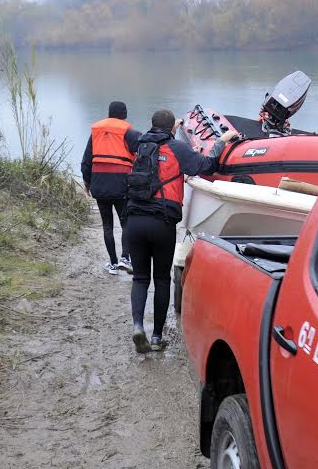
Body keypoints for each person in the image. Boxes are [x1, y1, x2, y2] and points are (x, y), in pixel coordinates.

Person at [126, 109, 236, 353]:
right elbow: (206, 166)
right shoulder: (176, 148)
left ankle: (137, 326)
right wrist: (221, 141)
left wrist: (171, 127)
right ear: (172, 129)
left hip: (133, 221)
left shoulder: (139, 144)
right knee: (162, 279)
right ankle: (156, 337)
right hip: (161, 222)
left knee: (140, 278)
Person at [81, 101, 141, 274]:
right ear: (125, 115)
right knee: (126, 223)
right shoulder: (130, 132)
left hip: (99, 183)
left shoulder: (96, 132)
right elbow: (144, 156)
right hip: (121, 183)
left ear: (108, 114)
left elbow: (86, 161)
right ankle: (125, 258)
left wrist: (87, 182)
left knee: (107, 225)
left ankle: (113, 264)